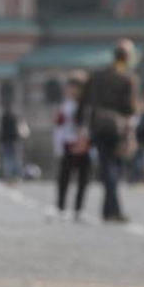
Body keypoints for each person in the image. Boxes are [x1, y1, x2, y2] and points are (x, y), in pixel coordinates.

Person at [79, 40, 138, 223]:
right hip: (117, 127)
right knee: (113, 169)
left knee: (107, 167)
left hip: (98, 125)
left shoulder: (98, 75)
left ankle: (108, 210)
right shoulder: (128, 78)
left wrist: (82, 125)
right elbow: (130, 108)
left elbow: (84, 101)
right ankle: (114, 210)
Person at [54, 76, 91, 219]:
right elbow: (59, 126)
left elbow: (88, 125)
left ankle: (78, 208)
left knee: (83, 178)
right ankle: (61, 206)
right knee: (64, 177)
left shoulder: (87, 105)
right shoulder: (66, 105)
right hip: (68, 144)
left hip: (83, 145)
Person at [0, 104, 25, 181]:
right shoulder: (16, 118)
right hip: (14, 141)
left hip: (6, 141)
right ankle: (17, 176)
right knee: (16, 159)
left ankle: (9, 176)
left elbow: (1, 130)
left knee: (8, 159)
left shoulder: (3, 118)